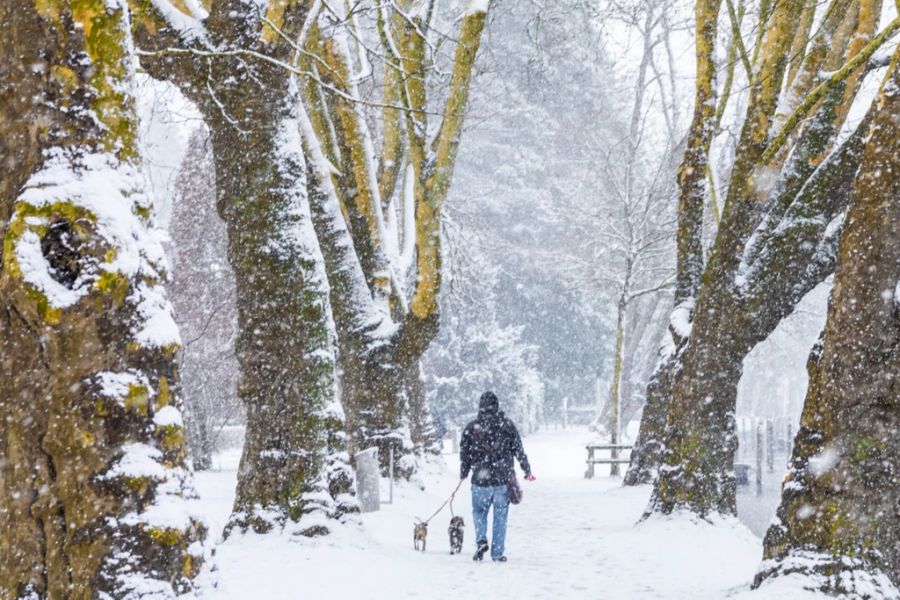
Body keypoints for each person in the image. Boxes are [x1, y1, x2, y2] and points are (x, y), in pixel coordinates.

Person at [459, 391, 535, 562]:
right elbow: (518, 449)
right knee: (500, 516)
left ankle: (480, 539)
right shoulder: (507, 426)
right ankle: (497, 553)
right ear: (497, 406)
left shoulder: (472, 428)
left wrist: (464, 471)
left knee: (479, 511)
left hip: (480, 480)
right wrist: (527, 470)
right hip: (502, 480)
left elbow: (465, 453)